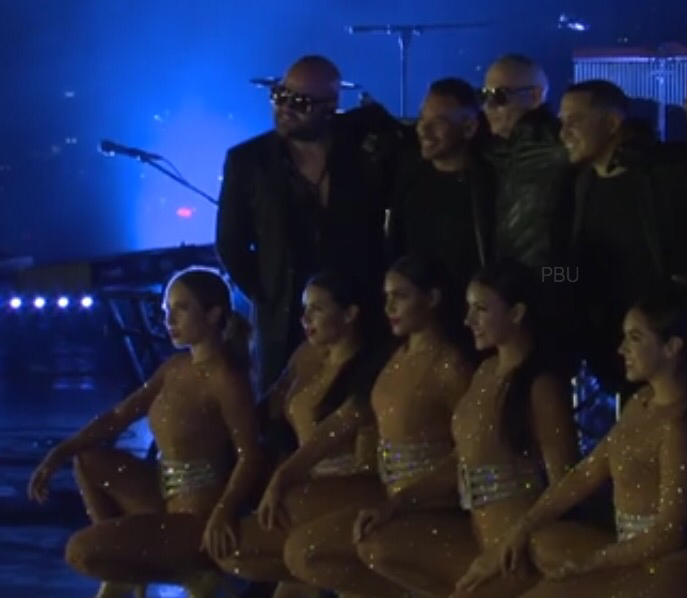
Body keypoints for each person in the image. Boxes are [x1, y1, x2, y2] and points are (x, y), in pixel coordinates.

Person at [355, 260, 578, 598]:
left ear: (517, 313)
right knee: (377, 541)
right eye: (468, 308)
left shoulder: (541, 386)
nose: (468, 320)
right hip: (475, 539)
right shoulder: (487, 371)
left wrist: (517, 539)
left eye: (481, 309)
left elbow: (565, 485)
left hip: (515, 555)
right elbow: (460, 463)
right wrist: (397, 504)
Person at [27, 267, 262, 598]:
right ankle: (121, 573)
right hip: (161, 495)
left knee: (82, 551)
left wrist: (224, 512)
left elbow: (250, 454)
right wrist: (58, 453)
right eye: (167, 309)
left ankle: (195, 574)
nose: (169, 319)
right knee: (88, 460)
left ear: (214, 313)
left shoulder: (227, 379)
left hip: (197, 518)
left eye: (181, 308)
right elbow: (118, 416)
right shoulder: (175, 367)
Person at [503, 289, 687, 598]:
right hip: (631, 555)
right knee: (542, 542)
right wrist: (525, 524)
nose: (621, 349)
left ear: (672, 347)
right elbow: (587, 474)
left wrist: (592, 565)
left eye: (635, 338)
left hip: (668, 576)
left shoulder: (680, 427)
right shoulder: (640, 403)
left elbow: (669, 534)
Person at [282, 255, 475, 598]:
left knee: (373, 545)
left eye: (400, 296)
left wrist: (406, 500)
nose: (388, 307)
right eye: (386, 297)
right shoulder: (392, 358)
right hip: (389, 500)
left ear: (432, 298)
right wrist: (284, 474)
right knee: (304, 553)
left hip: (432, 508)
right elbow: (344, 420)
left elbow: (472, 452)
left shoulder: (451, 365)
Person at [215, 55, 404, 394]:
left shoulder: (362, 149)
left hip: (357, 311)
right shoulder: (248, 161)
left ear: (330, 107)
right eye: (280, 96)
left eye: (300, 103)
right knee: (283, 405)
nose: (285, 108)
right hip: (286, 318)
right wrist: (268, 293)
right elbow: (230, 242)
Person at [212, 271, 387, 598]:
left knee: (286, 506)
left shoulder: (372, 368)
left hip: (355, 482)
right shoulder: (306, 355)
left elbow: (340, 432)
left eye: (317, 309)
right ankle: (303, 580)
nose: (305, 319)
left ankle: (359, 590)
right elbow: (268, 408)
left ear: (350, 313)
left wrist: (283, 477)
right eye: (304, 309)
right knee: (231, 549)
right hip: (303, 479)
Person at [557, 79, 687, 395]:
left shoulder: (664, 179)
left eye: (574, 121)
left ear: (612, 123)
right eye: (562, 122)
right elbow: (578, 269)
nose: (564, 133)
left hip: (666, 350)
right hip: (609, 346)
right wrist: (545, 275)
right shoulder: (582, 184)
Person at [387, 79, 496, 293]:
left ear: (469, 128)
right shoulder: (409, 180)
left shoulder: (490, 184)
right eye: (422, 118)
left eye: (438, 122)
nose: (423, 129)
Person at [481, 55, 571, 268]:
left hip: (551, 276)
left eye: (499, 96)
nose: (488, 106)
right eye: (484, 95)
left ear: (536, 96)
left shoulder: (561, 146)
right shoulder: (490, 147)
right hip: (503, 279)